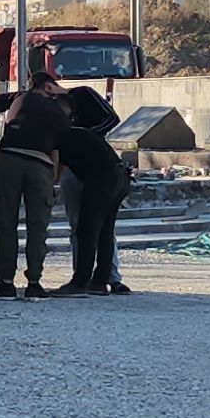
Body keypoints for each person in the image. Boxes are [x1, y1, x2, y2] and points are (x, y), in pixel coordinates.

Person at [0, 71, 72, 300]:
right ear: (48, 88)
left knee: (6, 223)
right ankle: (34, 284)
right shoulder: (59, 113)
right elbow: (65, 146)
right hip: (40, 166)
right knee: (38, 226)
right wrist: (56, 175)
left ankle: (6, 283)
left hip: (9, 161)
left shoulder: (16, 97)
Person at [52, 126, 131, 296]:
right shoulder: (78, 133)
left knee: (87, 230)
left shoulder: (57, 137)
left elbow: (56, 169)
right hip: (120, 176)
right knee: (105, 231)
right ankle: (100, 282)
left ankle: (80, 282)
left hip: (101, 179)